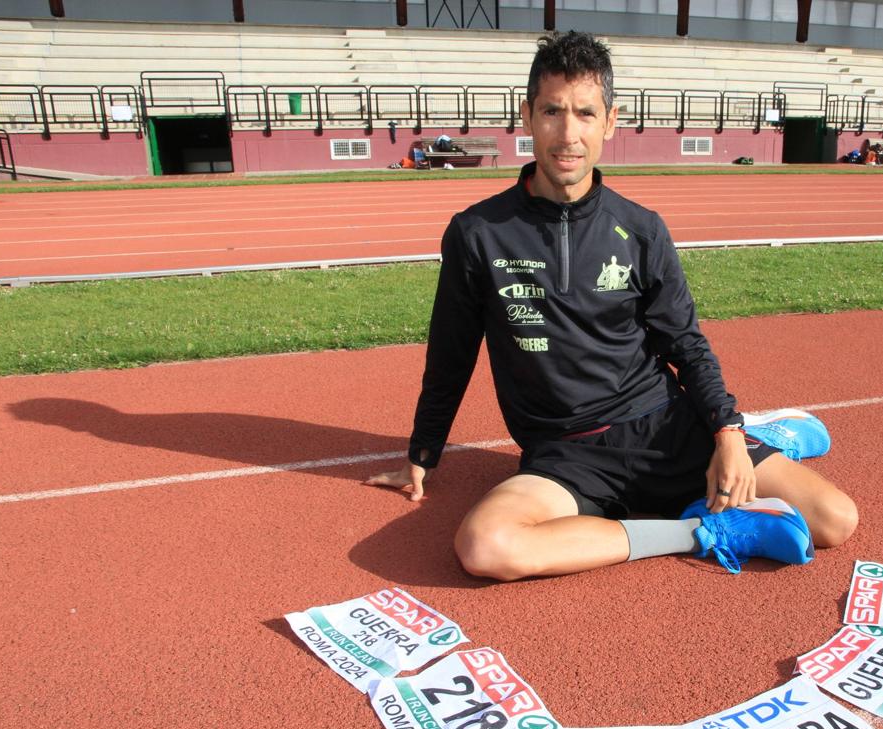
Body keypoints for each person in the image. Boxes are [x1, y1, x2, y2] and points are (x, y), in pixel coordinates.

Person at [367, 31, 857, 581]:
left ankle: (760, 436)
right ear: (527, 115)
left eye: (585, 113)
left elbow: (686, 343)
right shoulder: (478, 233)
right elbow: (452, 351)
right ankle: (702, 531)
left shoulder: (643, 230)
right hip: (565, 454)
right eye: (552, 111)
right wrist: (424, 451)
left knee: (834, 519)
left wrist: (725, 434)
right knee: (486, 547)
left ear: (610, 121)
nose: (568, 133)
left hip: (664, 427)